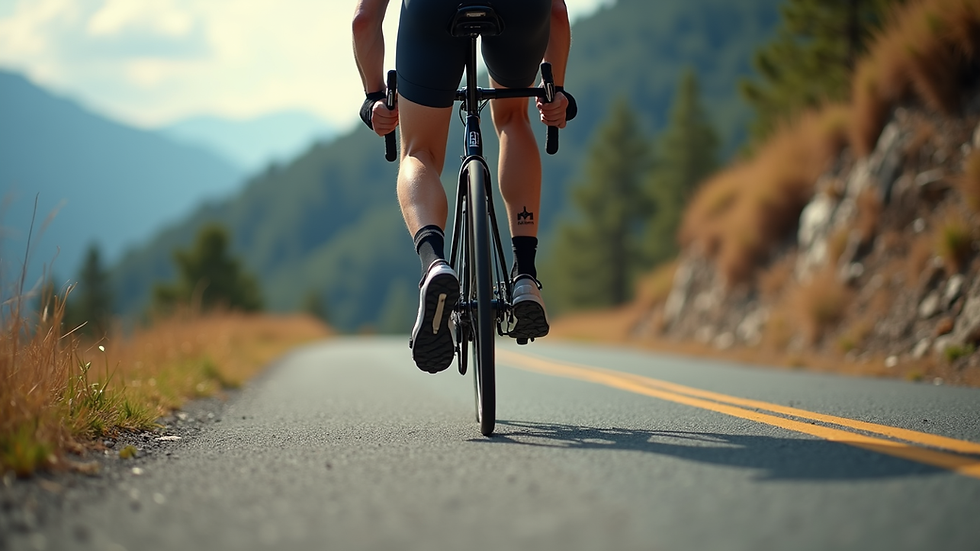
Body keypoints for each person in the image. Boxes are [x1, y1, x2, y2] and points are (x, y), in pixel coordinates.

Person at [352, 0, 573, 373]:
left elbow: (364, 20)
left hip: (433, 9)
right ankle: (525, 277)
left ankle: (435, 264)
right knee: (514, 119)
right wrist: (558, 92)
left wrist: (374, 96)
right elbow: (556, 13)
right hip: (519, 11)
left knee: (419, 150)